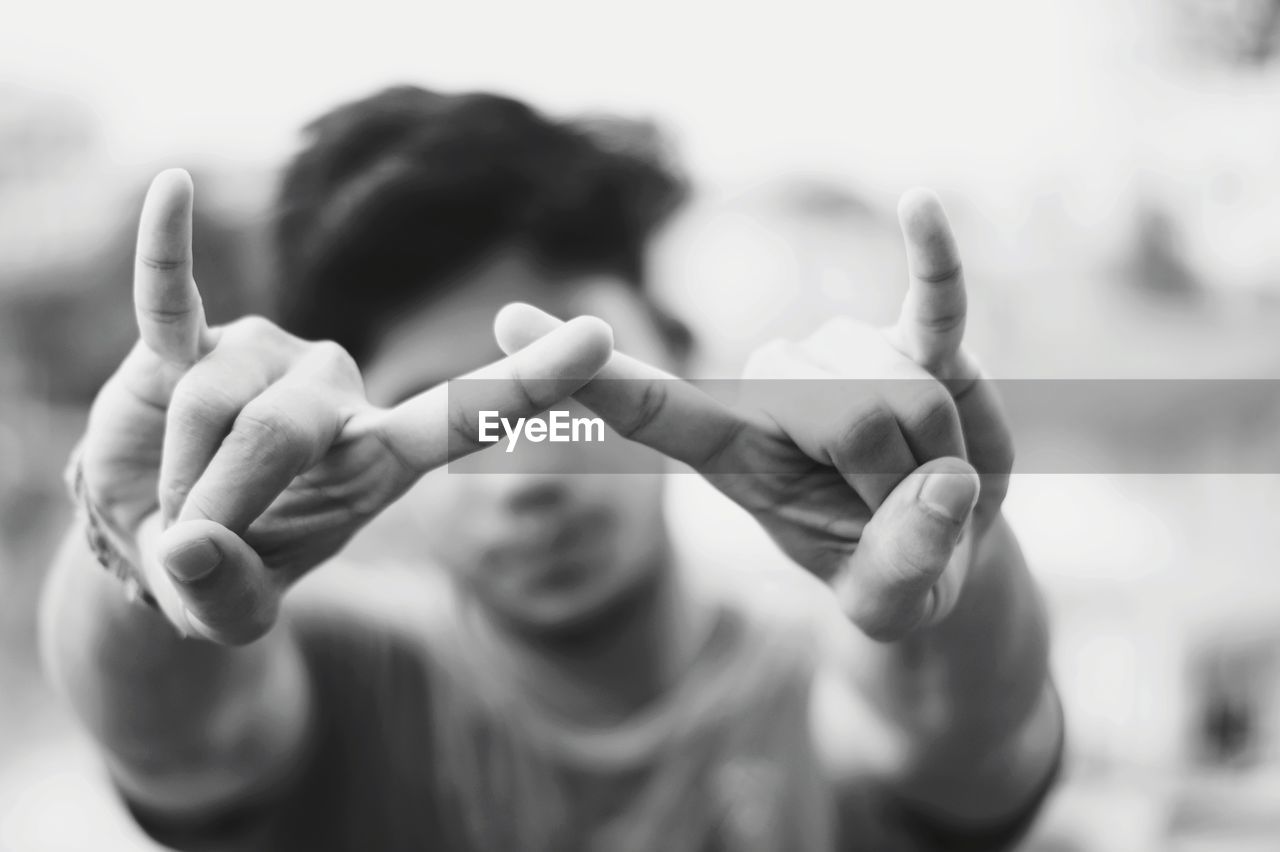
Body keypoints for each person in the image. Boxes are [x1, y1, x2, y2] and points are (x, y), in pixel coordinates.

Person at [39, 86, 1063, 851]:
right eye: (453, 410)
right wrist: (134, 547)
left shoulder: (806, 686)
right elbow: (178, 731)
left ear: (677, 352)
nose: (526, 472)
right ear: (336, 427)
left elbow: (955, 734)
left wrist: (947, 552)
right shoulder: (347, 676)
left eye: (574, 388)